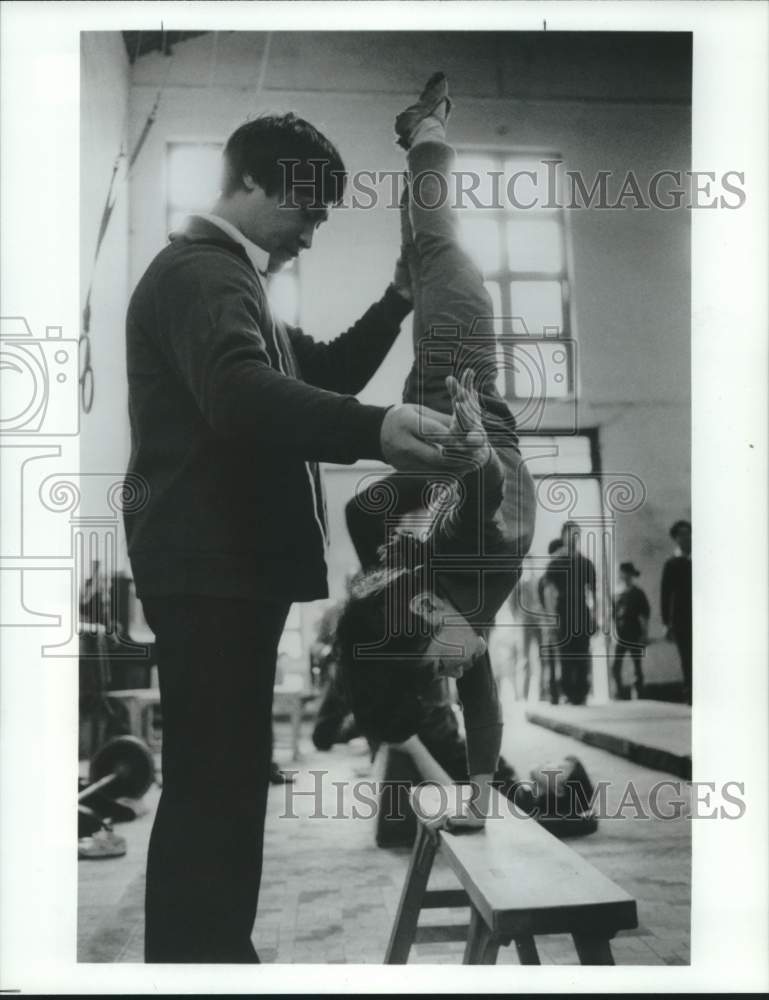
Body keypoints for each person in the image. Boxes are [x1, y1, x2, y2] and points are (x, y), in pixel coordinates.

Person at [124, 112, 463, 963]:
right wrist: (378, 428)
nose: (311, 235)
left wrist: (396, 300)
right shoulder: (202, 276)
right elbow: (239, 396)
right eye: (304, 212)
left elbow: (329, 372)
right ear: (249, 185)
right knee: (214, 786)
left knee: (227, 782)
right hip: (210, 570)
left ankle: (208, 955)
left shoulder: (235, 285)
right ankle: (197, 962)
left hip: (225, 569)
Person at [336, 73, 537, 832]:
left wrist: (397, 572)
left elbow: (374, 513)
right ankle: (425, 133)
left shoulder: (435, 608)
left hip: (434, 420)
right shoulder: (461, 623)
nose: (454, 678)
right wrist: (477, 804)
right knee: (438, 254)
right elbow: (481, 493)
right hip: (465, 393)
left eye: (437, 676)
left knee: (426, 259)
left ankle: (424, 133)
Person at [543, 521, 597, 705]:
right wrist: (551, 619)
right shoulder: (556, 563)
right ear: (563, 536)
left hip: (582, 613)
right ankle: (568, 691)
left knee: (582, 653)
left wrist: (596, 616)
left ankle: (581, 693)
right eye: (570, 534)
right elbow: (548, 592)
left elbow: (594, 592)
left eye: (576, 534)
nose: (573, 538)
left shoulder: (586, 563)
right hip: (563, 614)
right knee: (566, 655)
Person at [661, 519, 692, 704]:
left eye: (688, 533)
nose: (686, 538)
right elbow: (665, 595)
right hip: (681, 619)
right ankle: (690, 692)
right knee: (687, 657)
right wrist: (666, 623)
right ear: (675, 539)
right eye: (681, 534)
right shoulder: (672, 563)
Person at [610, 561, 650, 699]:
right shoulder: (616, 594)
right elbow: (613, 616)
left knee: (636, 664)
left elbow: (644, 615)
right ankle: (619, 692)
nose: (625, 576)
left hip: (634, 631)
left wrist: (644, 634)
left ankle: (639, 691)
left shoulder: (638, 593)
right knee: (615, 665)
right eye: (623, 573)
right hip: (620, 633)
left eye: (627, 573)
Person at [538, 538, 565, 704]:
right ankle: (554, 693)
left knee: (552, 659)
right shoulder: (550, 574)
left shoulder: (547, 574)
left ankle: (553, 693)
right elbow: (548, 598)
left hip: (548, 621)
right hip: (552, 620)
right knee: (555, 657)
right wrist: (552, 620)